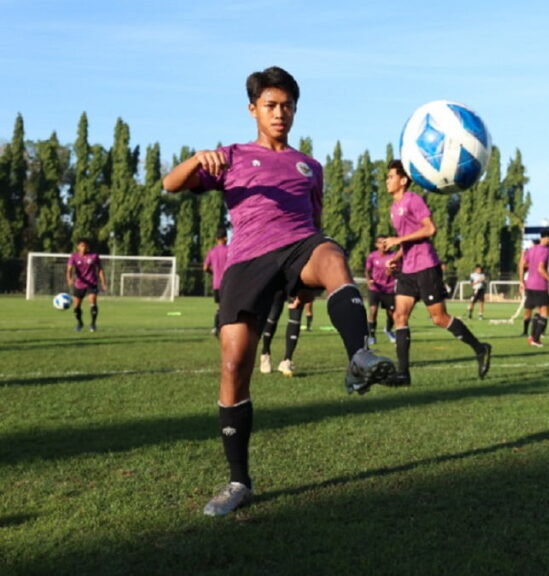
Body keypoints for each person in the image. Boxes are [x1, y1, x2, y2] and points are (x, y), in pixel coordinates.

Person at [162, 66, 394, 516]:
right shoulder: (229, 157)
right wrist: (197, 159)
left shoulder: (311, 166)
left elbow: (317, 221)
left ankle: (359, 356)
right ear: (253, 109)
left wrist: (307, 287)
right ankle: (237, 481)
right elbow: (170, 184)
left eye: (287, 105)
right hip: (248, 261)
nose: (280, 113)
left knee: (332, 255)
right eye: (271, 105)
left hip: (301, 247)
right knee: (233, 367)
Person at [383, 160, 491, 386]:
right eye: (388, 177)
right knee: (399, 316)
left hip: (426, 267)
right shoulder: (394, 208)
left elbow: (430, 229)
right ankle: (403, 374)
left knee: (439, 318)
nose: (388, 180)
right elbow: (406, 241)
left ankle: (480, 348)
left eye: (391, 176)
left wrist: (398, 240)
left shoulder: (413, 200)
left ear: (403, 180)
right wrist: (396, 258)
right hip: (408, 269)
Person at [520, 229, 549, 347]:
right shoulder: (545, 251)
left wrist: (522, 281)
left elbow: (523, 265)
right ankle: (535, 339)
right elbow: (541, 269)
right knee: (544, 313)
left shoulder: (531, 249)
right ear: (547, 238)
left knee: (538, 311)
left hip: (530, 285)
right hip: (540, 285)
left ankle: (532, 336)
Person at [258, 289, 307, 377]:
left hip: (297, 284)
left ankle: (287, 360)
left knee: (296, 318)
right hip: (279, 282)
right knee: (273, 316)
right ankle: (265, 353)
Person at [66, 238, 108, 332]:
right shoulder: (73, 257)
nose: (84, 248)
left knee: (93, 302)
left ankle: (93, 324)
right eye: (82, 246)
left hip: (92, 283)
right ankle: (80, 323)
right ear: (78, 247)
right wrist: (69, 278)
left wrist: (103, 282)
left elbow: (100, 269)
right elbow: (69, 270)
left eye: (85, 246)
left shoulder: (94, 256)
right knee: (76, 307)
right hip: (79, 284)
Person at [365, 236, 397, 346]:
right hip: (375, 288)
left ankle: (388, 330)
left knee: (392, 314)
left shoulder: (394, 256)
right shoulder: (372, 256)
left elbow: (398, 269)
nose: (383, 245)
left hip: (389, 288)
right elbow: (368, 270)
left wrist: (392, 271)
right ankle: (372, 336)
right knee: (373, 311)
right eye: (380, 243)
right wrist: (369, 279)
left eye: (385, 242)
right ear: (376, 245)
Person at [203, 227, 229, 336]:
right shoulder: (229, 250)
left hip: (216, 284)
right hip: (227, 283)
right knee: (225, 306)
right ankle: (220, 327)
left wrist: (213, 273)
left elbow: (205, 267)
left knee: (220, 306)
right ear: (225, 238)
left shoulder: (212, 251)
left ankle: (216, 327)